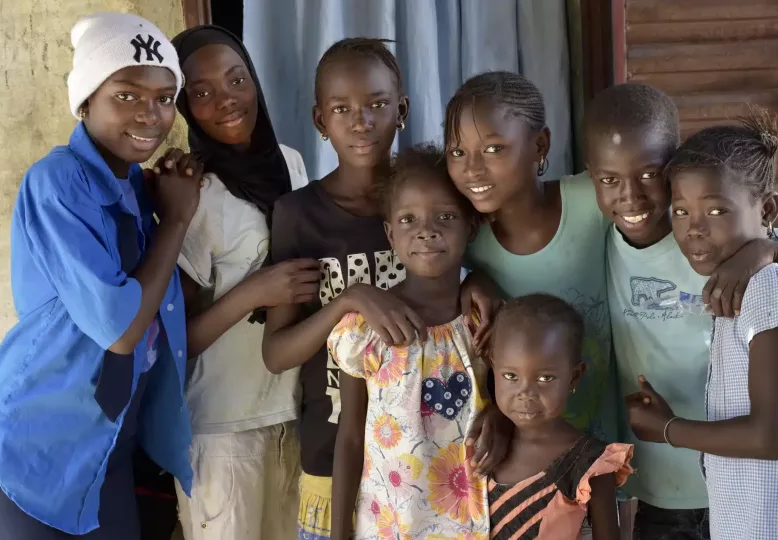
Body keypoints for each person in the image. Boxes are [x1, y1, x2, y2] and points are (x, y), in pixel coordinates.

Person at [584, 84, 778, 539]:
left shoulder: (756, 262)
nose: (631, 196)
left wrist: (770, 250)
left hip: (761, 496)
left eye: (649, 175)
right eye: (609, 180)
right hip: (672, 489)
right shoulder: (607, 236)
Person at [0, 13, 198, 538]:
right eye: (127, 95)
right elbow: (119, 329)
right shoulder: (58, 182)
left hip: (104, 458)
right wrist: (177, 221)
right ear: (87, 99)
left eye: (164, 98)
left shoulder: (140, 190)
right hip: (32, 461)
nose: (150, 114)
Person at [262, 38, 498, 540]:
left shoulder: (433, 191)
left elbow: (466, 264)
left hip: (452, 477)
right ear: (319, 120)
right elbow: (277, 352)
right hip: (338, 462)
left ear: (402, 109)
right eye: (342, 109)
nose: (361, 121)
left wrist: (480, 278)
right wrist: (351, 298)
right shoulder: (298, 215)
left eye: (376, 104)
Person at [170, 25, 316, 540]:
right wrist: (256, 292)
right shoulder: (193, 191)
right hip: (223, 431)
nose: (225, 101)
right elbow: (177, 339)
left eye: (237, 80)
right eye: (202, 92)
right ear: (184, 105)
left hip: (294, 415)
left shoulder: (292, 163)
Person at [443, 73, 619, 486]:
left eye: (493, 148)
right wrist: (471, 279)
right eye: (457, 151)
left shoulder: (592, 200)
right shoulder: (465, 243)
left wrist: (769, 246)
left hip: (611, 428)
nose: (472, 168)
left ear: (539, 145)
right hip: (521, 459)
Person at [330, 144, 490, 539]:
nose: (427, 230)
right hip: (390, 525)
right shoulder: (365, 331)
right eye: (408, 219)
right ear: (390, 233)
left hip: (475, 523)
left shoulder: (485, 322)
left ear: (471, 226)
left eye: (446, 216)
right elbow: (350, 436)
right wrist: (339, 533)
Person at [487, 294, 632, 540]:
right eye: (510, 376)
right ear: (493, 369)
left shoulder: (591, 463)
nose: (526, 394)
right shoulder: (483, 445)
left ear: (574, 377)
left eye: (545, 378)